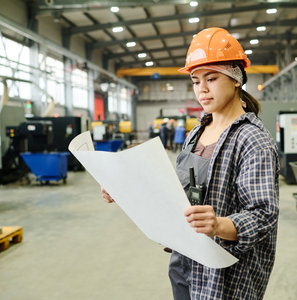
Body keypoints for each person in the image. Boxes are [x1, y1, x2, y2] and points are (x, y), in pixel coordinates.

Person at [102, 27, 279, 300]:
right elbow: (177, 192)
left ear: (235, 78)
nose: (202, 89)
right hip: (185, 262)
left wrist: (219, 225)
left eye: (211, 78)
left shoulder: (252, 139)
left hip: (226, 276)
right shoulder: (196, 132)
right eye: (196, 81)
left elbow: (264, 215)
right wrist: (126, 190)